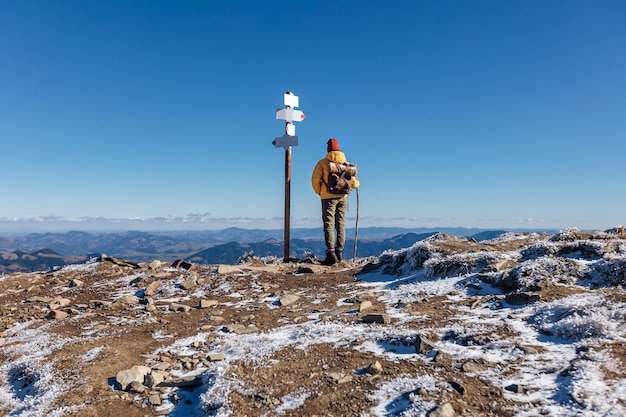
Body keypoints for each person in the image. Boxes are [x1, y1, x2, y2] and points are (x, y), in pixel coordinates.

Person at [311, 138, 360, 265]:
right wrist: (357, 183)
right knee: (340, 224)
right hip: (343, 198)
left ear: (328, 149)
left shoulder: (322, 163)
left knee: (328, 224)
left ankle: (331, 254)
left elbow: (314, 180)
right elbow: (353, 183)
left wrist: (320, 192)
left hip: (327, 197)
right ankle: (339, 251)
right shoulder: (346, 164)